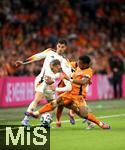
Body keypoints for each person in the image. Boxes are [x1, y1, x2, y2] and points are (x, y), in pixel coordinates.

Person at [28, 55, 110, 129]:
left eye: (80, 63)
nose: (78, 64)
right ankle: (36, 113)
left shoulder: (88, 71)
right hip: (69, 93)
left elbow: (83, 81)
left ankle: (100, 124)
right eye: (78, 62)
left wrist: (70, 79)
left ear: (86, 65)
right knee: (56, 102)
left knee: (84, 114)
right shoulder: (78, 66)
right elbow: (66, 65)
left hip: (78, 96)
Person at [15, 39, 73, 126]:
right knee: (37, 99)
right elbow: (37, 56)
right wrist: (23, 62)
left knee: (53, 104)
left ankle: (46, 122)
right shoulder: (49, 51)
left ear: (66, 48)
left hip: (51, 83)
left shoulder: (65, 60)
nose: (60, 48)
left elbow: (68, 72)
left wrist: (74, 78)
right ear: (57, 45)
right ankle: (25, 120)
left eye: (62, 47)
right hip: (42, 79)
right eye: (59, 46)